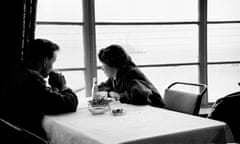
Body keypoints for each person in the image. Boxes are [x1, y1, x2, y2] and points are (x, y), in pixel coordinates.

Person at [0, 38, 78, 141]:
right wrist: (63, 86)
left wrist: (54, 88)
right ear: (45, 61)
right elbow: (67, 105)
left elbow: (42, 100)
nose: (52, 67)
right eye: (52, 62)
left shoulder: (15, 72)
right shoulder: (31, 79)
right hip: (30, 136)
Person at [97, 44, 165, 108]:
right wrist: (111, 93)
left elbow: (140, 96)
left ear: (112, 65)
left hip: (156, 111)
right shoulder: (116, 76)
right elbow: (100, 88)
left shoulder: (130, 74)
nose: (102, 68)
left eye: (103, 64)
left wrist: (119, 96)